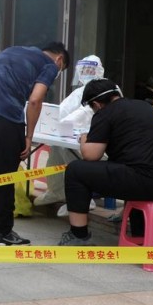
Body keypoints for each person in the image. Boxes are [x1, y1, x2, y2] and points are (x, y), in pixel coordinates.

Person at [58, 78, 153, 246]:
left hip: (152, 182)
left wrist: (84, 138)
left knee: (75, 171)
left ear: (97, 104)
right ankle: (141, 234)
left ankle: (78, 235)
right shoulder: (143, 106)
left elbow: (91, 155)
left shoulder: (105, 113)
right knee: (131, 170)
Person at [0, 41, 69, 246]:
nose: (57, 72)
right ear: (59, 59)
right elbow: (35, 100)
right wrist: (29, 136)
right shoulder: (48, 65)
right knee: (5, 175)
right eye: (61, 69)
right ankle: (3, 232)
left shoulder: (8, 52)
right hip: (7, 117)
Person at [34, 55, 104, 210]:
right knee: (57, 147)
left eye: (91, 69)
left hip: (100, 144)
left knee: (68, 150)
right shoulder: (79, 91)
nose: (87, 73)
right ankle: (57, 191)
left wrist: (64, 122)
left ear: (99, 71)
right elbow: (62, 110)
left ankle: (82, 197)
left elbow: (84, 113)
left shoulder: (106, 89)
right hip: (78, 138)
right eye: (84, 69)